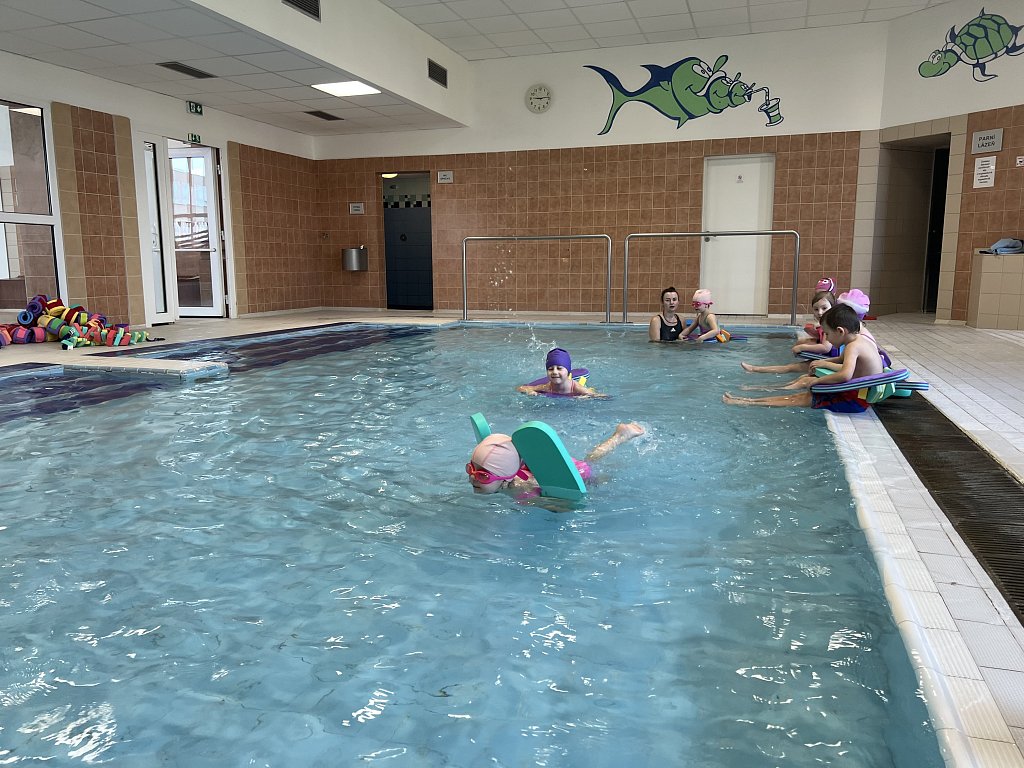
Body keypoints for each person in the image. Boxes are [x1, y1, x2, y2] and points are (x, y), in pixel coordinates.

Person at [723, 303, 883, 412]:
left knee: (799, 399)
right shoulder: (859, 340)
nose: (827, 338)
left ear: (840, 331)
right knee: (801, 393)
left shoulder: (853, 346)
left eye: (827, 334)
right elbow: (841, 360)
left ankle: (745, 402)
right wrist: (823, 362)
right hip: (858, 395)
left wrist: (818, 381)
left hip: (855, 400)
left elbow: (845, 375)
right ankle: (747, 400)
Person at [466, 422, 645, 494]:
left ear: (505, 478)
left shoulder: (522, 489)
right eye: (471, 470)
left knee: (595, 468)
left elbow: (558, 504)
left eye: (483, 476)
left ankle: (620, 436)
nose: (472, 478)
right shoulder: (506, 475)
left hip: (572, 474)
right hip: (541, 466)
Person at [740, 288, 836, 374]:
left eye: (824, 308)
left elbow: (825, 347)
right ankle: (754, 369)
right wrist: (814, 332)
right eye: (816, 309)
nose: (820, 312)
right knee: (792, 364)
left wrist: (802, 347)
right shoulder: (825, 325)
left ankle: (754, 369)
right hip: (825, 358)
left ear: (833, 308)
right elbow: (824, 340)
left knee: (789, 368)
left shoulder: (829, 326)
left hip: (828, 360)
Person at [516, 347, 603, 397]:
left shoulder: (576, 388)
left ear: (568, 372)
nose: (554, 372)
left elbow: (602, 396)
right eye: (550, 369)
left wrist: (586, 397)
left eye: (559, 368)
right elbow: (520, 388)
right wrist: (530, 391)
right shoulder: (547, 387)